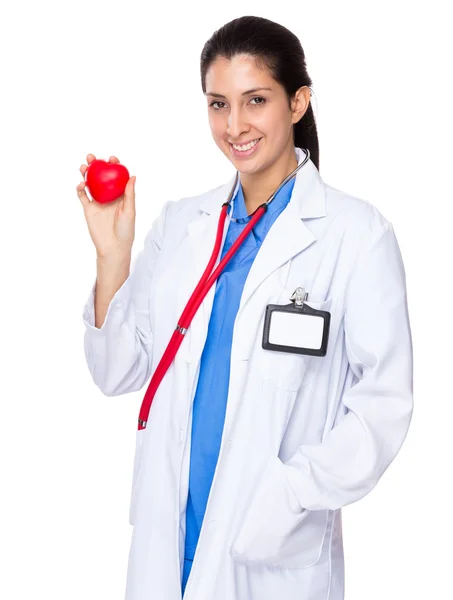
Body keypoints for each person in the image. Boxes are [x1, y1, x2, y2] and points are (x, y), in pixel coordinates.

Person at [77, 15, 413, 600]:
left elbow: (384, 406)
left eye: (255, 100)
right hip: (169, 537)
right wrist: (113, 255)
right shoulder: (182, 224)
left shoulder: (355, 236)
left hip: (271, 547)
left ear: (298, 101)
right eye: (217, 104)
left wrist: (290, 493)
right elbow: (118, 372)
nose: (234, 125)